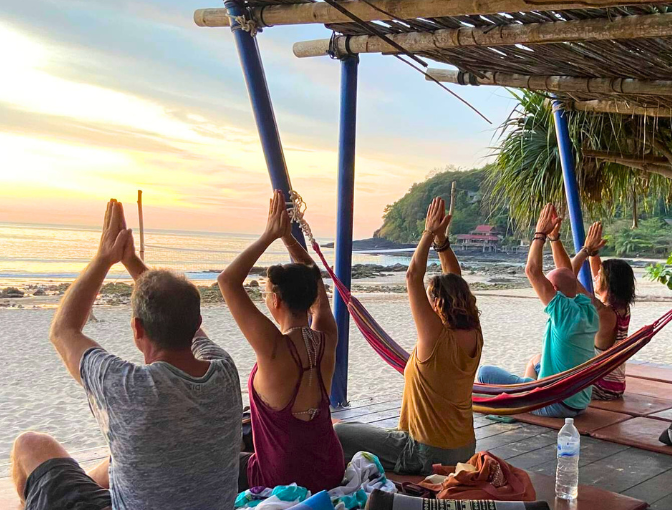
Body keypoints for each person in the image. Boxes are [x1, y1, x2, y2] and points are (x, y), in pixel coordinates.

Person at [10, 199, 242, 510]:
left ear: (137, 329)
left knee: (29, 445)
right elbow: (183, 325)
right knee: (109, 465)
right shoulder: (224, 371)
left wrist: (105, 258)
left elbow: (63, 329)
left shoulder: (130, 387)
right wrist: (134, 264)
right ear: (197, 325)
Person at [336, 196, 482, 474]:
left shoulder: (435, 339)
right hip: (464, 449)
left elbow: (413, 276)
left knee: (339, 431)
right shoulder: (474, 333)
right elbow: (455, 278)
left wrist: (428, 233)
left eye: (430, 300)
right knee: (367, 432)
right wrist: (442, 242)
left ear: (438, 304)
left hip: (426, 453)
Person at [218, 189, 344, 493]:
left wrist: (270, 235)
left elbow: (227, 281)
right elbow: (316, 284)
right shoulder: (327, 336)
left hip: (284, 478)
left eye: (265, 294)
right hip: (330, 468)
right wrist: (289, 239)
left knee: (213, 461)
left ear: (274, 300)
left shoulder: (273, 348)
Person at [477, 204, 612, 417]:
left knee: (484, 373)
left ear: (555, 292)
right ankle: (525, 396)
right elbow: (568, 274)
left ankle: (516, 407)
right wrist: (584, 250)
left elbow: (532, 271)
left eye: (548, 287)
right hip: (578, 400)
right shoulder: (587, 309)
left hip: (556, 403)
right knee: (536, 363)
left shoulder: (563, 314)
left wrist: (539, 234)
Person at [571, 221, 636, 400]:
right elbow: (595, 272)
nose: (595, 277)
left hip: (600, 388)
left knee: (539, 364)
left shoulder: (604, 313)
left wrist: (585, 250)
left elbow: (567, 278)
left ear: (608, 283)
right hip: (615, 385)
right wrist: (594, 251)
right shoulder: (622, 309)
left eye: (600, 276)